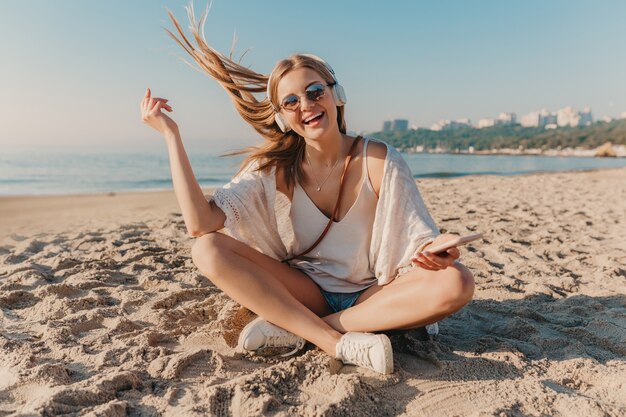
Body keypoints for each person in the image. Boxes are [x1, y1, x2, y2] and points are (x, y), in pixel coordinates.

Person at [139, 6, 475, 375]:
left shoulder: (379, 159)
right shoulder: (275, 169)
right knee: (207, 248)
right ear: (283, 116)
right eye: (292, 101)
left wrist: (433, 254)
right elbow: (200, 223)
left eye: (315, 91)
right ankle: (334, 341)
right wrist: (172, 136)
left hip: (374, 293)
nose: (307, 105)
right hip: (306, 291)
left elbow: (414, 238)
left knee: (457, 280)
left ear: (337, 95)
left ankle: (300, 329)